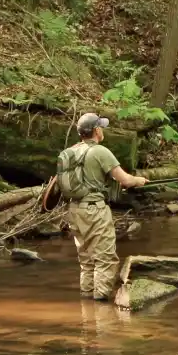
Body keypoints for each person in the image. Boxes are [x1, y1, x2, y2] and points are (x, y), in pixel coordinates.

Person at [60, 113, 149, 302]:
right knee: (105, 259)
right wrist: (139, 180)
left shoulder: (70, 152)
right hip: (94, 211)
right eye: (101, 127)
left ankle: (87, 308)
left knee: (86, 261)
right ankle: (100, 310)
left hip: (74, 211)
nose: (102, 130)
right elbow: (125, 180)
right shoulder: (100, 151)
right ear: (96, 131)